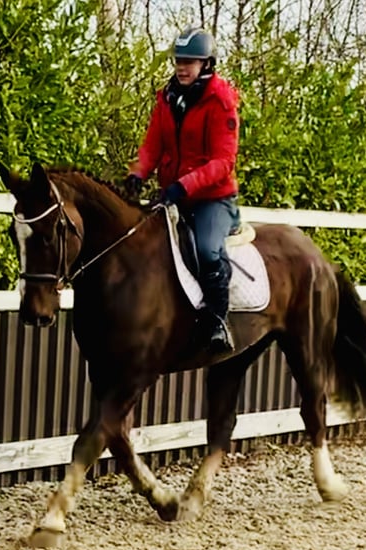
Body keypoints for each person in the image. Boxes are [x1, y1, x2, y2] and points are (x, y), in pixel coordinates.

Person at [125, 25, 241, 353]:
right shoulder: (167, 97)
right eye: (179, 60)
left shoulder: (221, 101)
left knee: (206, 250)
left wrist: (183, 186)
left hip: (212, 199)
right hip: (172, 193)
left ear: (207, 64)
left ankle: (218, 321)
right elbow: (152, 145)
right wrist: (138, 172)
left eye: (190, 61)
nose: (182, 66)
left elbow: (223, 161)